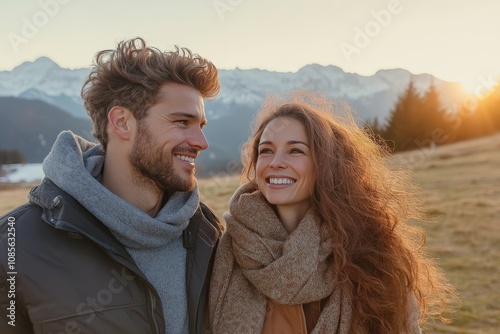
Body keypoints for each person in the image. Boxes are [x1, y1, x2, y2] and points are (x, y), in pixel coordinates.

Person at [0, 37, 223, 334]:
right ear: (122, 122)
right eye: (183, 122)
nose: (201, 143)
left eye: (201, 126)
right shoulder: (14, 246)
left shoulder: (208, 233)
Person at [208, 92, 458, 333]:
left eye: (295, 150)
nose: (275, 162)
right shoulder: (227, 248)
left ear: (326, 164)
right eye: (266, 151)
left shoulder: (374, 253)